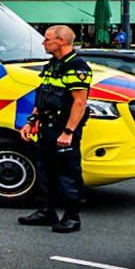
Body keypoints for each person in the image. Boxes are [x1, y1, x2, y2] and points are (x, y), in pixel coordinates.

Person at [19, 24, 91, 233]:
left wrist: (68, 132)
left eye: (47, 39)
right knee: (45, 170)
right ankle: (46, 211)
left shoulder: (77, 67)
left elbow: (79, 103)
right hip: (46, 127)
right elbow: (42, 96)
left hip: (63, 128)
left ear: (61, 41)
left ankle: (72, 217)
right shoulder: (52, 65)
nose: (43, 42)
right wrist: (31, 121)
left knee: (67, 173)